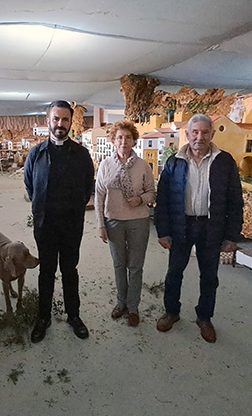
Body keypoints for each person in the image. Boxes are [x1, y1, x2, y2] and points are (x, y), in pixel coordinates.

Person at [154, 113, 244, 343]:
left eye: (205, 132)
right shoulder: (174, 163)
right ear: (187, 134)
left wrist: (232, 235)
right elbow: (162, 200)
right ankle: (171, 312)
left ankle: (204, 317)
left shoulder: (225, 162)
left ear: (212, 135)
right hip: (180, 226)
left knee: (209, 276)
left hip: (211, 227)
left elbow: (235, 201)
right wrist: (163, 232)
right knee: (174, 273)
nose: (199, 137)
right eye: (195, 132)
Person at [24, 100, 95, 343]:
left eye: (65, 119)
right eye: (56, 119)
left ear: (70, 122)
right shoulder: (36, 154)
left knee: (69, 270)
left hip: (72, 225)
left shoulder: (81, 154)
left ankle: (73, 316)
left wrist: (73, 209)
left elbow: (88, 187)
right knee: (46, 271)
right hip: (45, 225)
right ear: (48, 121)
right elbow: (30, 186)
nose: (60, 124)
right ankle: (42, 317)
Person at [95, 121, 155, 327]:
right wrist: (100, 225)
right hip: (113, 222)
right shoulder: (105, 165)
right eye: (120, 137)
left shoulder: (143, 166)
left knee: (135, 266)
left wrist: (140, 199)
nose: (123, 141)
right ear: (113, 140)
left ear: (134, 141)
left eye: (128, 137)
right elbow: (99, 196)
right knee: (119, 264)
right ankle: (121, 303)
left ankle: (133, 308)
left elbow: (151, 193)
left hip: (138, 221)